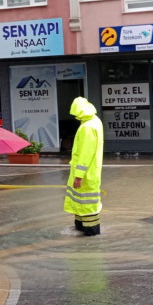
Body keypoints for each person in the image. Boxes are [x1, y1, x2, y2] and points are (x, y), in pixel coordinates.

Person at [64, 97, 104, 236]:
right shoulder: (95, 121)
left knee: (87, 204)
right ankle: (81, 228)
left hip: (86, 173)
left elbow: (85, 153)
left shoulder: (87, 127)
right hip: (92, 171)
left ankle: (90, 235)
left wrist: (79, 175)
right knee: (81, 202)